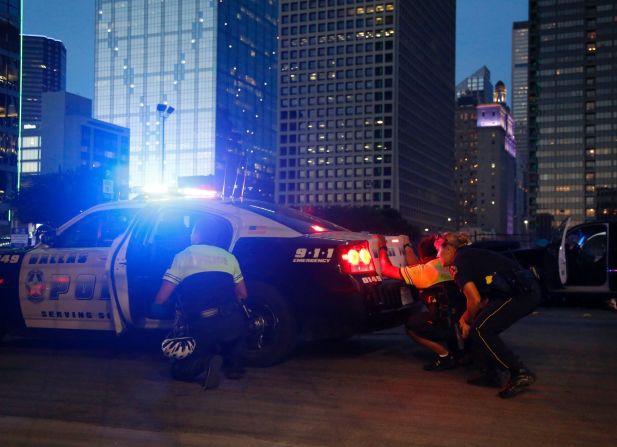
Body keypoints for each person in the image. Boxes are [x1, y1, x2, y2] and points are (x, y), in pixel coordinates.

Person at [434, 232, 541, 399]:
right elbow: (482, 300)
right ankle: (490, 373)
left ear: (447, 248)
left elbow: (475, 300)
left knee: (481, 329)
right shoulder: (468, 255)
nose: (436, 255)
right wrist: (465, 318)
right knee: (481, 324)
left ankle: (519, 372)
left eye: (437, 251)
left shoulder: (459, 262)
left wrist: (467, 321)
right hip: (522, 290)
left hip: (519, 294)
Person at [152, 217, 248, 389]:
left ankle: (206, 361)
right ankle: (235, 367)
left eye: (192, 231)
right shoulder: (229, 257)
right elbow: (243, 293)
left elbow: (162, 298)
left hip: (203, 324)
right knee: (235, 337)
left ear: (197, 235)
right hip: (233, 322)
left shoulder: (183, 256)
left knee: (180, 371)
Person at [378, 235, 465, 371]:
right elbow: (415, 265)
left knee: (411, 325)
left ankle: (445, 355)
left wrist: (382, 247)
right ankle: (461, 353)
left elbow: (386, 269)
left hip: (444, 322)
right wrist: (407, 246)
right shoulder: (451, 262)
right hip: (462, 319)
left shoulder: (426, 271)